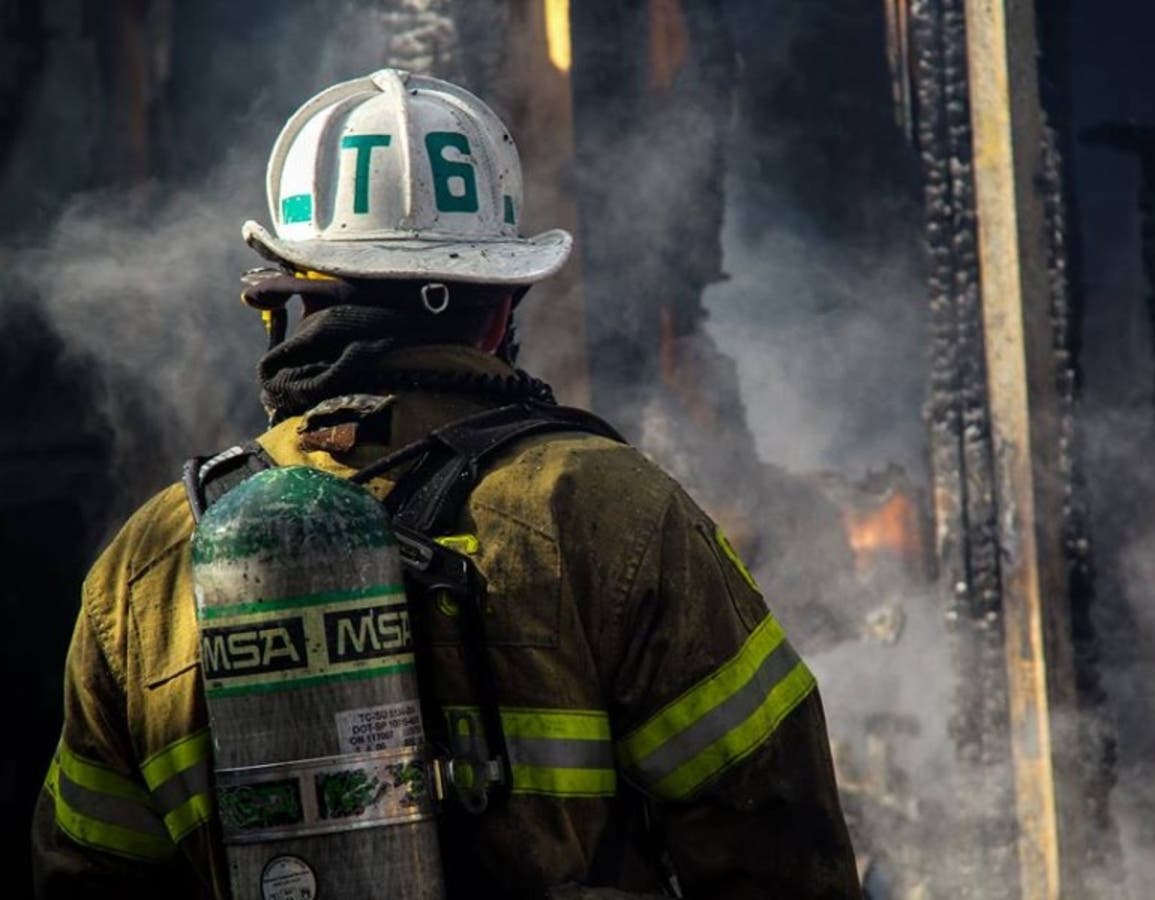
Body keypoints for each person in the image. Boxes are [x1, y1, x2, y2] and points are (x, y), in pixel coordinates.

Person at [31, 69, 861, 899]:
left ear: (294, 298)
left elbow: (82, 878)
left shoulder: (147, 567)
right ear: (498, 309)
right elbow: (781, 848)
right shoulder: (614, 515)